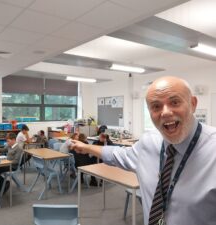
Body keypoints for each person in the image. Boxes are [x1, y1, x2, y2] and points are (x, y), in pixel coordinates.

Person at [71, 76, 216, 225]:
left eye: (175, 102)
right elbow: (118, 154)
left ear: (193, 104)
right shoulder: (149, 142)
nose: (165, 112)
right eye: (156, 106)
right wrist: (87, 147)